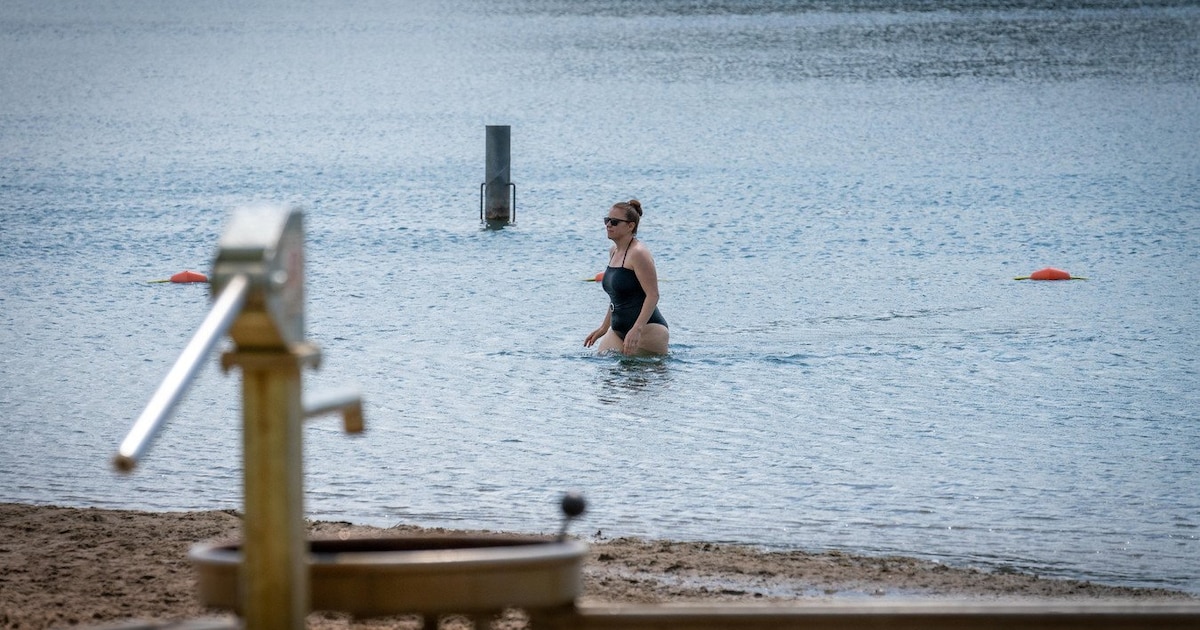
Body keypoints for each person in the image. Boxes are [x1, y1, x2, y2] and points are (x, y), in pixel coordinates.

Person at [584, 199, 669, 356]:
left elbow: (653, 295)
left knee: (637, 376)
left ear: (630, 226)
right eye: (607, 220)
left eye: (614, 222)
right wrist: (604, 327)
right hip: (618, 330)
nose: (608, 225)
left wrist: (637, 329)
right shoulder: (614, 251)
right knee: (604, 371)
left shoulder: (639, 253)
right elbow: (617, 296)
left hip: (647, 329)